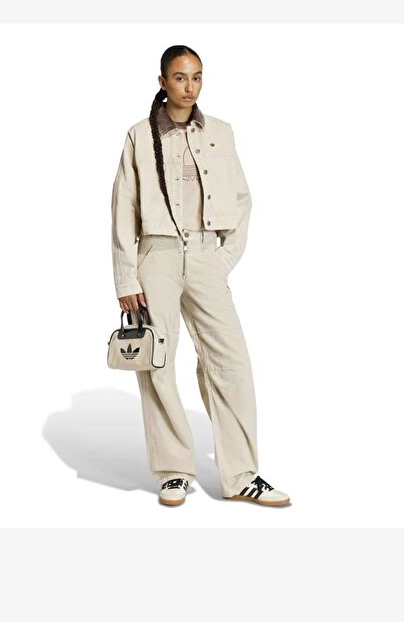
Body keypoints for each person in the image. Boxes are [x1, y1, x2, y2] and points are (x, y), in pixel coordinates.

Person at [111, 44, 291, 508]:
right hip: (157, 255)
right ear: (162, 82)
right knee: (157, 360)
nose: (189, 87)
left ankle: (242, 475)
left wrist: (223, 258)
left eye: (196, 77)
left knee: (231, 361)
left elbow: (242, 199)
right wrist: (126, 277)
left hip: (206, 252)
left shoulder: (221, 132)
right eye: (179, 77)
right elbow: (123, 208)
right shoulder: (139, 135)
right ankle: (173, 470)